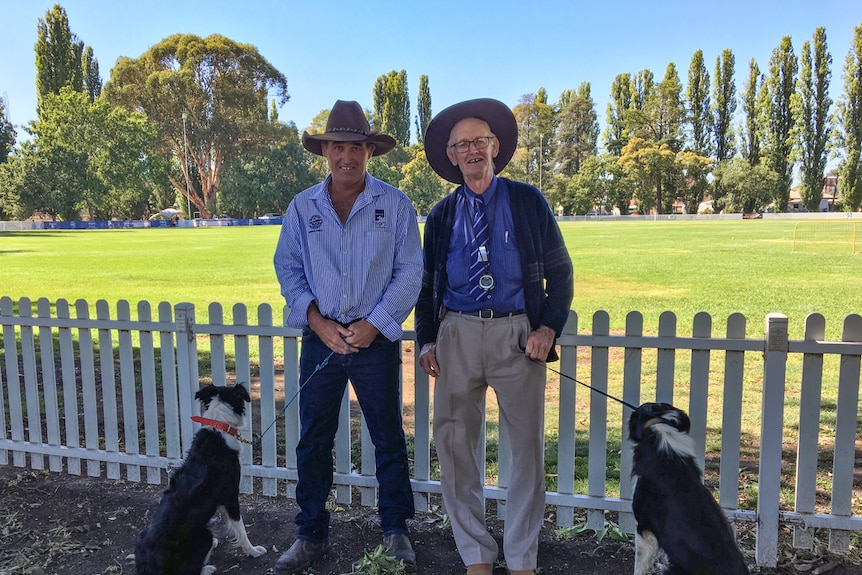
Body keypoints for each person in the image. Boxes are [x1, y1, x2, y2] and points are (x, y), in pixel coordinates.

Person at [416, 98, 573, 575]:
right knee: (455, 446)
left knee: (525, 449)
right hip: (457, 335)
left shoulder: (527, 202)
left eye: (479, 141)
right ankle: (476, 555)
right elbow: (427, 285)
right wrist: (426, 340)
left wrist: (547, 327)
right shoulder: (442, 215)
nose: (472, 151)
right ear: (451, 155)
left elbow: (561, 273)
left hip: (516, 335)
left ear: (496, 146)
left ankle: (523, 557)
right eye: (462, 144)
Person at [273, 100, 423, 574]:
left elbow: (410, 272)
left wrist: (375, 323)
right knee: (314, 438)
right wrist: (316, 321)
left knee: (387, 436)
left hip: (374, 342)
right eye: (337, 147)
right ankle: (311, 533)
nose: (346, 157)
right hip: (321, 338)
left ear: (368, 151)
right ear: (325, 151)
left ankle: (395, 529)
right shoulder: (303, 207)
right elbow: (288, 269)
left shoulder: (395, 204)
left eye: (355, 148)